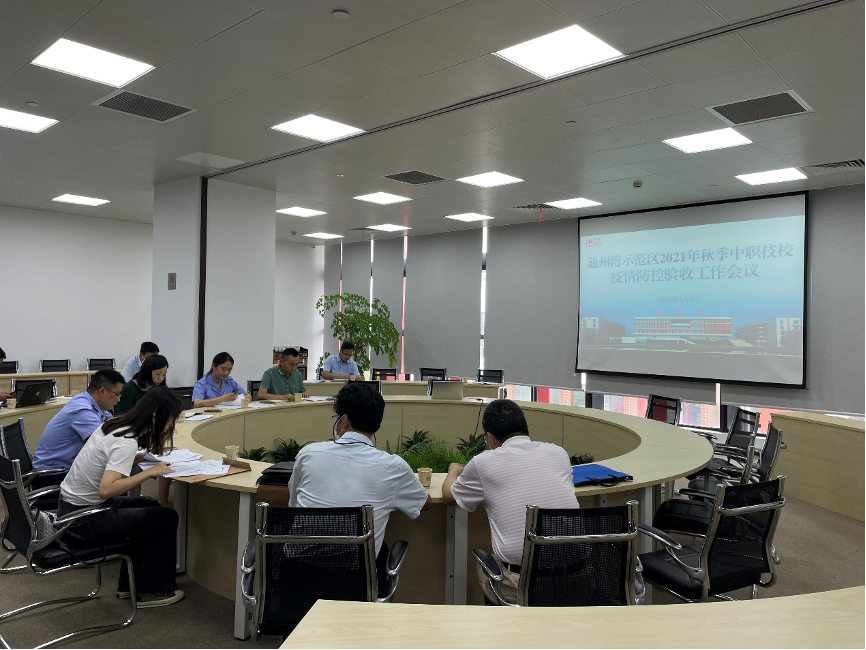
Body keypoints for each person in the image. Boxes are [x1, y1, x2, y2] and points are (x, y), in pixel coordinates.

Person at [288, 382, 430, 591]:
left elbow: (293, 505)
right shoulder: (394, 467)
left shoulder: (309, 454)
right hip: (356, 585)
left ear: (344, 421)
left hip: (297, 579)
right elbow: (424, 504)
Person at [442, 399, 579, 605]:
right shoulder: (558, 453)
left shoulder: (484, 463)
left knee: (487, 566)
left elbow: (449, 497)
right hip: (575, 580)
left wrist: (453, 472)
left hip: (522, 586)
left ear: (490, 438)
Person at [59, 386, 184, 607]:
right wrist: (148, 473)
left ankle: (130, 586)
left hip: (71, 509)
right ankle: (152, 591)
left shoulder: (117, 424)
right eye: (171, 419)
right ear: (156, 415)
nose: (171, 426)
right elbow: (106, 490)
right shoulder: (127, 441)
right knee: (166, 518)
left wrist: (130, 462)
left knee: (151, 508)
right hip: (85, 519)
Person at [31, 369, 125, 488]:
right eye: (117, 394)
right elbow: (104, 445)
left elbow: (114, 427)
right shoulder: (82, 410)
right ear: (102, 391)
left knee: (115, 477)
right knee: (114, 483)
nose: (118, 399)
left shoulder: (91, 403)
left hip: (64, 470)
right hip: (52, 476)